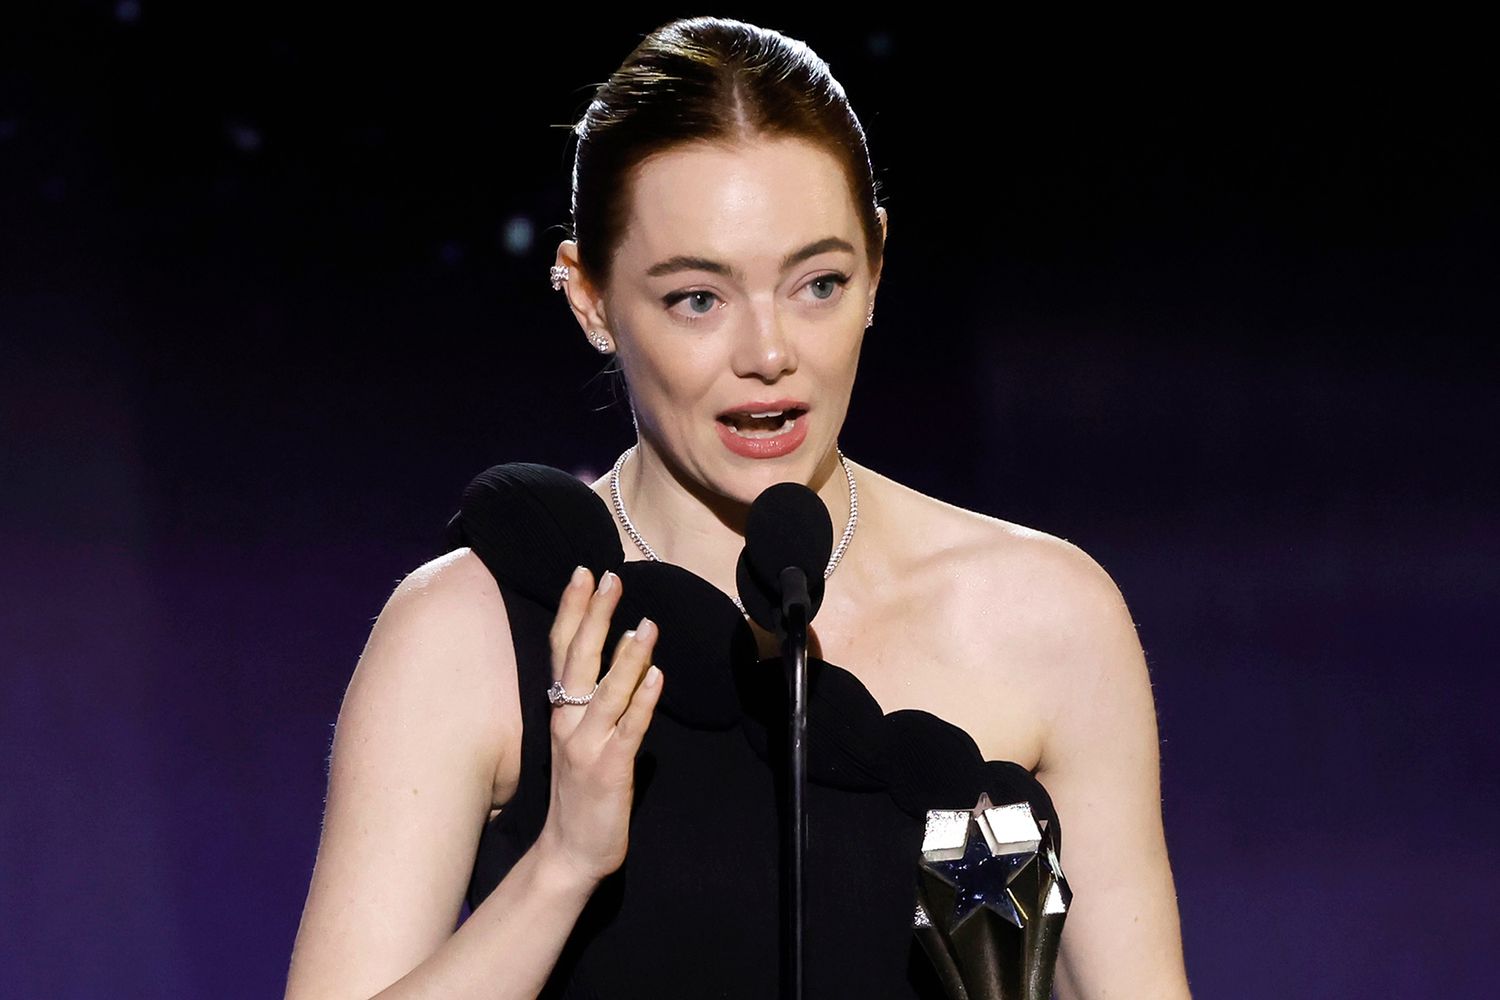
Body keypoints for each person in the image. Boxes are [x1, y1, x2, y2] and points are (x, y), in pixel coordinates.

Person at [284, 16, 1191, 1000]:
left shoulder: (1047, 617)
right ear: (589, 298)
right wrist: (561, 866)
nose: (769, 353)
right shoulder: (464, 632)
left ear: (877, 267)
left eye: (818, 284)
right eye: (697, 298)